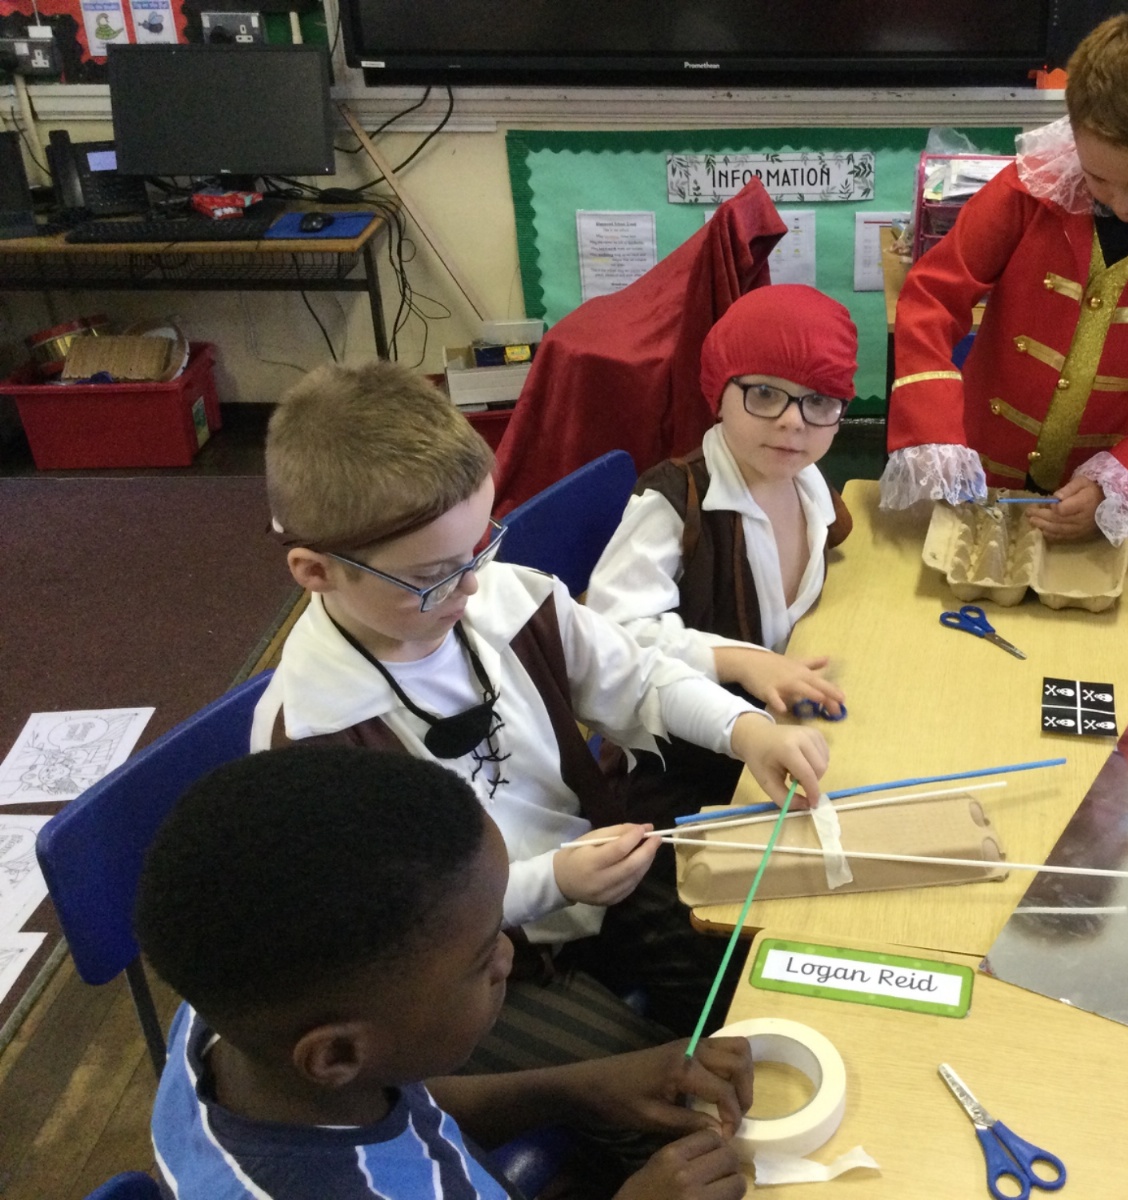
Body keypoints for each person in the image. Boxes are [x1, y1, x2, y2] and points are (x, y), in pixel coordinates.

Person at [251, 359, 828, 1070]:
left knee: (762, 967)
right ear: (315, 571)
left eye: (478, 548)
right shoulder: (311, 738)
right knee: (664, 1084)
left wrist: (747, 730)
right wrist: (552, 882)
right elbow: (395, 925)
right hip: (476, 961)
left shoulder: (511, 597)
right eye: (432, 576)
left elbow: (640, 678)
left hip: (594, 880)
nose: (470, 585)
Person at [136, 745, 754, 1200]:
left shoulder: (227, 1019)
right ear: (335, 1053)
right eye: (484, 957)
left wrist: (583, 1087)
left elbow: (406, 1104)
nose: (508, 957)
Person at [882, 11, 1128, 545]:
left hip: (1100, 512)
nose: (1125, 203)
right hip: (981, 479)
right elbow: (932, 297)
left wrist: (1118, 483)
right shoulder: (1028, 191)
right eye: (1098, 177)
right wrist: (935, 431)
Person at [585, 284, 856, 827]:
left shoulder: (806, 483)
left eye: (818, 401)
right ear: (718, 392)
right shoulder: (674, 501)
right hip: (688, 762)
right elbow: (612, 635)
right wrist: (739, 660)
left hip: (788, 733)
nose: (793, 421)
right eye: (765, 393)